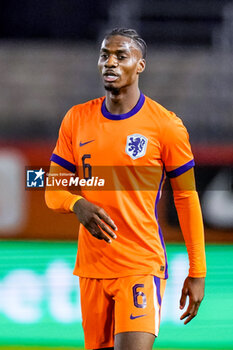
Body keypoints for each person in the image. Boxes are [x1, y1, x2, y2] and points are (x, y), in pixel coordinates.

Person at [45, 28, 206, 350]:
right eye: (105, 55)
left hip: (140, 264)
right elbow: (52, 188)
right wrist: (77, 204)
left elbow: (186, 196)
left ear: (140, 65)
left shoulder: (165, 125)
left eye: (121, 55)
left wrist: (197, 271)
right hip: (91, 268)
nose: (110, 62)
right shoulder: (76, 119)